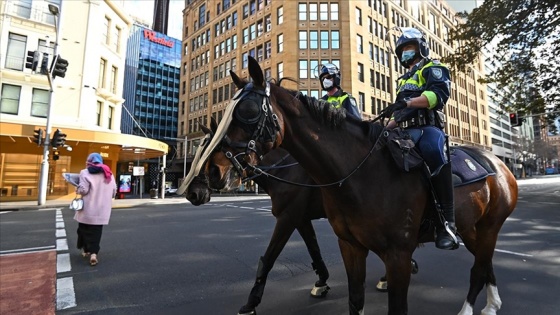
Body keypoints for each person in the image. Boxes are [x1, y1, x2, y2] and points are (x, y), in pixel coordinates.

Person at [383, 27, 458, 250]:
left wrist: (408, 103)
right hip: (403, 131)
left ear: (421, 47)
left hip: (427, 128)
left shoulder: (433, 68)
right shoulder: (402, 79)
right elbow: (399, 113)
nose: (406, 52)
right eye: (403, 49)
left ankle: (447, 222)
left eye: (409, 47)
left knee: (433, 151)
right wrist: (383, 128)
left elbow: (437, 96)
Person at [75, 153, 117, 265]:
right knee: (96, 232)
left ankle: (86, 250)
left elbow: (83, 190)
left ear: (89, 161)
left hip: (88, 208)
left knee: (83, 229)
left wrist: (77, 187)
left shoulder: (85, 172)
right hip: (102, 209)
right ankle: (93, 254)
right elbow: (114, 191)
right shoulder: (109, 173)